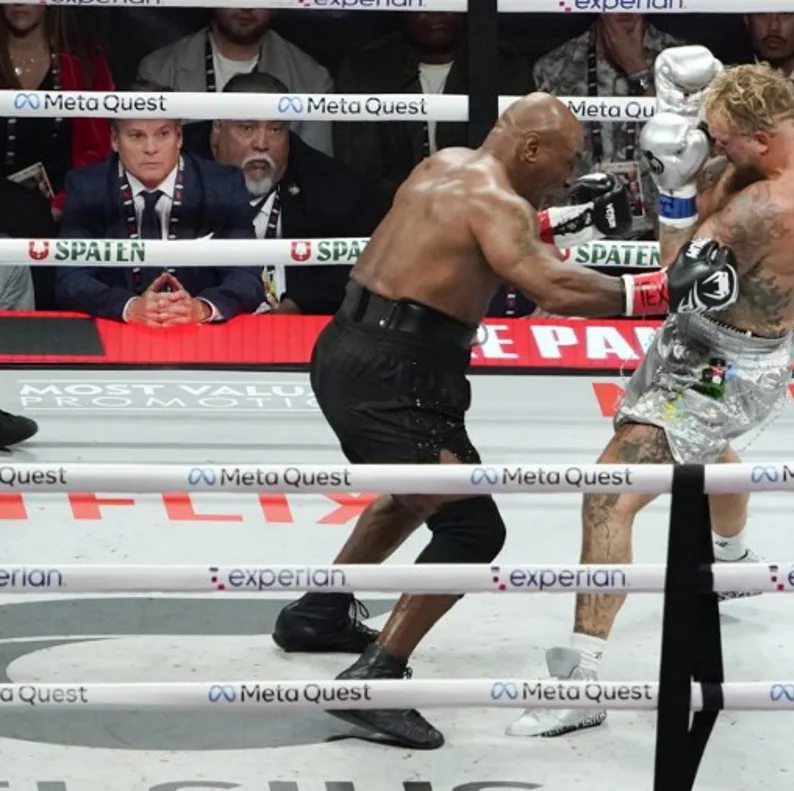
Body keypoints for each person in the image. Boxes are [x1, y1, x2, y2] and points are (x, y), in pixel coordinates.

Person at [269, 91, 745, 750]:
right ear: (529, 147)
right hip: (393, 374)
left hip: (364, 349)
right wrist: (662, 289)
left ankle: (319, 611)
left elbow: (480, 239)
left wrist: (572, 218)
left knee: (415, 496)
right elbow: (556, 289)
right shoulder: (496, 203)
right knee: (471, 526)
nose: (564, 172)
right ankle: (377, 676)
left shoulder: (445, 166)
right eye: (564, 158)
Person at [507, 51, 794, 738]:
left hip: (718, 365)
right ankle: (735, 559)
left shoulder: (762, 208)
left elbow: (667, 277)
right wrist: (692, 118)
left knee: (610, 489)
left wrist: (676, 191)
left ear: (759, 138)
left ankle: (580, 683)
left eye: (723, 138)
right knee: (699, 448)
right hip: (738, 346)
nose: (715, 146)